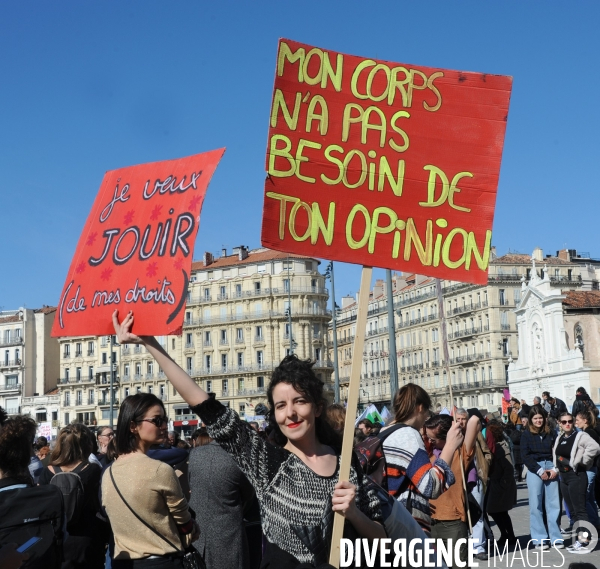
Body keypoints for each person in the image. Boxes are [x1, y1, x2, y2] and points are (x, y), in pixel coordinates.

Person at [113, 310, 385, 568]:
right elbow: (204, 405)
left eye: (299, 401)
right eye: (280, 405)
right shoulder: (267, 462)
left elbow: (381, 538)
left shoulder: (346, 461)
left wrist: (355, 514)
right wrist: (150, 343)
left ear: (317, 407)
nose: (290, 413)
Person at [102, 393, 199, 569]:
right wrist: (192, 529)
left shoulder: (109, 472)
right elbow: (184, 523)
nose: (164, 426)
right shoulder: (159, 470)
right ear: (133, 426)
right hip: (161, 561)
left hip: (123, 562)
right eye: (157, 420)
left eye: (165, 419)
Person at [380, 383, 461, 533]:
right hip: (405, 527)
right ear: (419, 407)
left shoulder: (384, 432)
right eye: (427, 412)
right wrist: (450, 445)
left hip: (386, 520)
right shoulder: (408, 435)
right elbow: (431, 486)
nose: (426, 418)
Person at [188, 426, 256, 569]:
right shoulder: (238, 458)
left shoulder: (195, 454)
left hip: (198, 531)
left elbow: (191, 484)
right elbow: (248, 494)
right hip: (228, 533)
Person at [39, 423, 105, 568]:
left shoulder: (46, 471)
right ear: (87, 444)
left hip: (57, 539)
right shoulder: (93, 470)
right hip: (87, 539)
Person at [425, 413, 480, 568]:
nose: (429, 441)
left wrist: (456, 425)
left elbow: (475, 420)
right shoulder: (427, 455)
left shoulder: (460, 453)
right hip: (430, 522)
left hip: (453, 522)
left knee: (458, 565)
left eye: (433, 439)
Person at [554, 411, 600, 553]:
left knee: (580, 510)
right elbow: (556, 454)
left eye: (570, 421)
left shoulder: (580, 436)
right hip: (564, 477)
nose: (567, 424)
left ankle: (586, 541)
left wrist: (582, 461)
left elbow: (595, 447)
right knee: (572, 511)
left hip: (577, 476)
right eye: (564, 422)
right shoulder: (560, 437)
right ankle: (579, 540)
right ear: (559, 423)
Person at [520, 408, 563, 549]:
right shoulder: (526, 434)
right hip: (534, 468)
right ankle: (540, 538)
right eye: (535, 418)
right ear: (531, 420)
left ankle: (556, 537)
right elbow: (525, 455)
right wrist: (539, 470)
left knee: (553, 504)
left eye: (540, 418)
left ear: (544, 418)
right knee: (536, 504)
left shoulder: (551, 432)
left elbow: (557, 451)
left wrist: (555, 469)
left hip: (551, 466)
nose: (538, 421)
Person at [456, 408, 492, 561]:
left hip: (476, 478)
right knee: (461, 515)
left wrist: (484, 467)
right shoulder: (452, 436)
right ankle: (463, 546)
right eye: (458, 419)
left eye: (463, 419)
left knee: (477, 513)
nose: (461, 422)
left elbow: (486, 452)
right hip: (458, 480)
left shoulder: (476, 434)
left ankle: (479, 547)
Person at [486, 420, 517, 547]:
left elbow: (509, 468)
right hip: (496, 483)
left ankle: (509, 536)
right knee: (497, 511)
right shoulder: (495, 445)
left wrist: (504, 483)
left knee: (498, 511)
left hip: (501, 484)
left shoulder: (501, 446)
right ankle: (507, 535)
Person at [575, 410, 600, 528]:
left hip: (590, 468)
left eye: (577, 420)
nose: (575, 423)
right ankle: (596, 524)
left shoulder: (589, 433)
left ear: (585, 421)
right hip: (592, 468)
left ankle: (594, 524)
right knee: (589, 498)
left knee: (584, 497)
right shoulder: (588, 431)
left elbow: (593, 450)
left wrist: (583, 461)